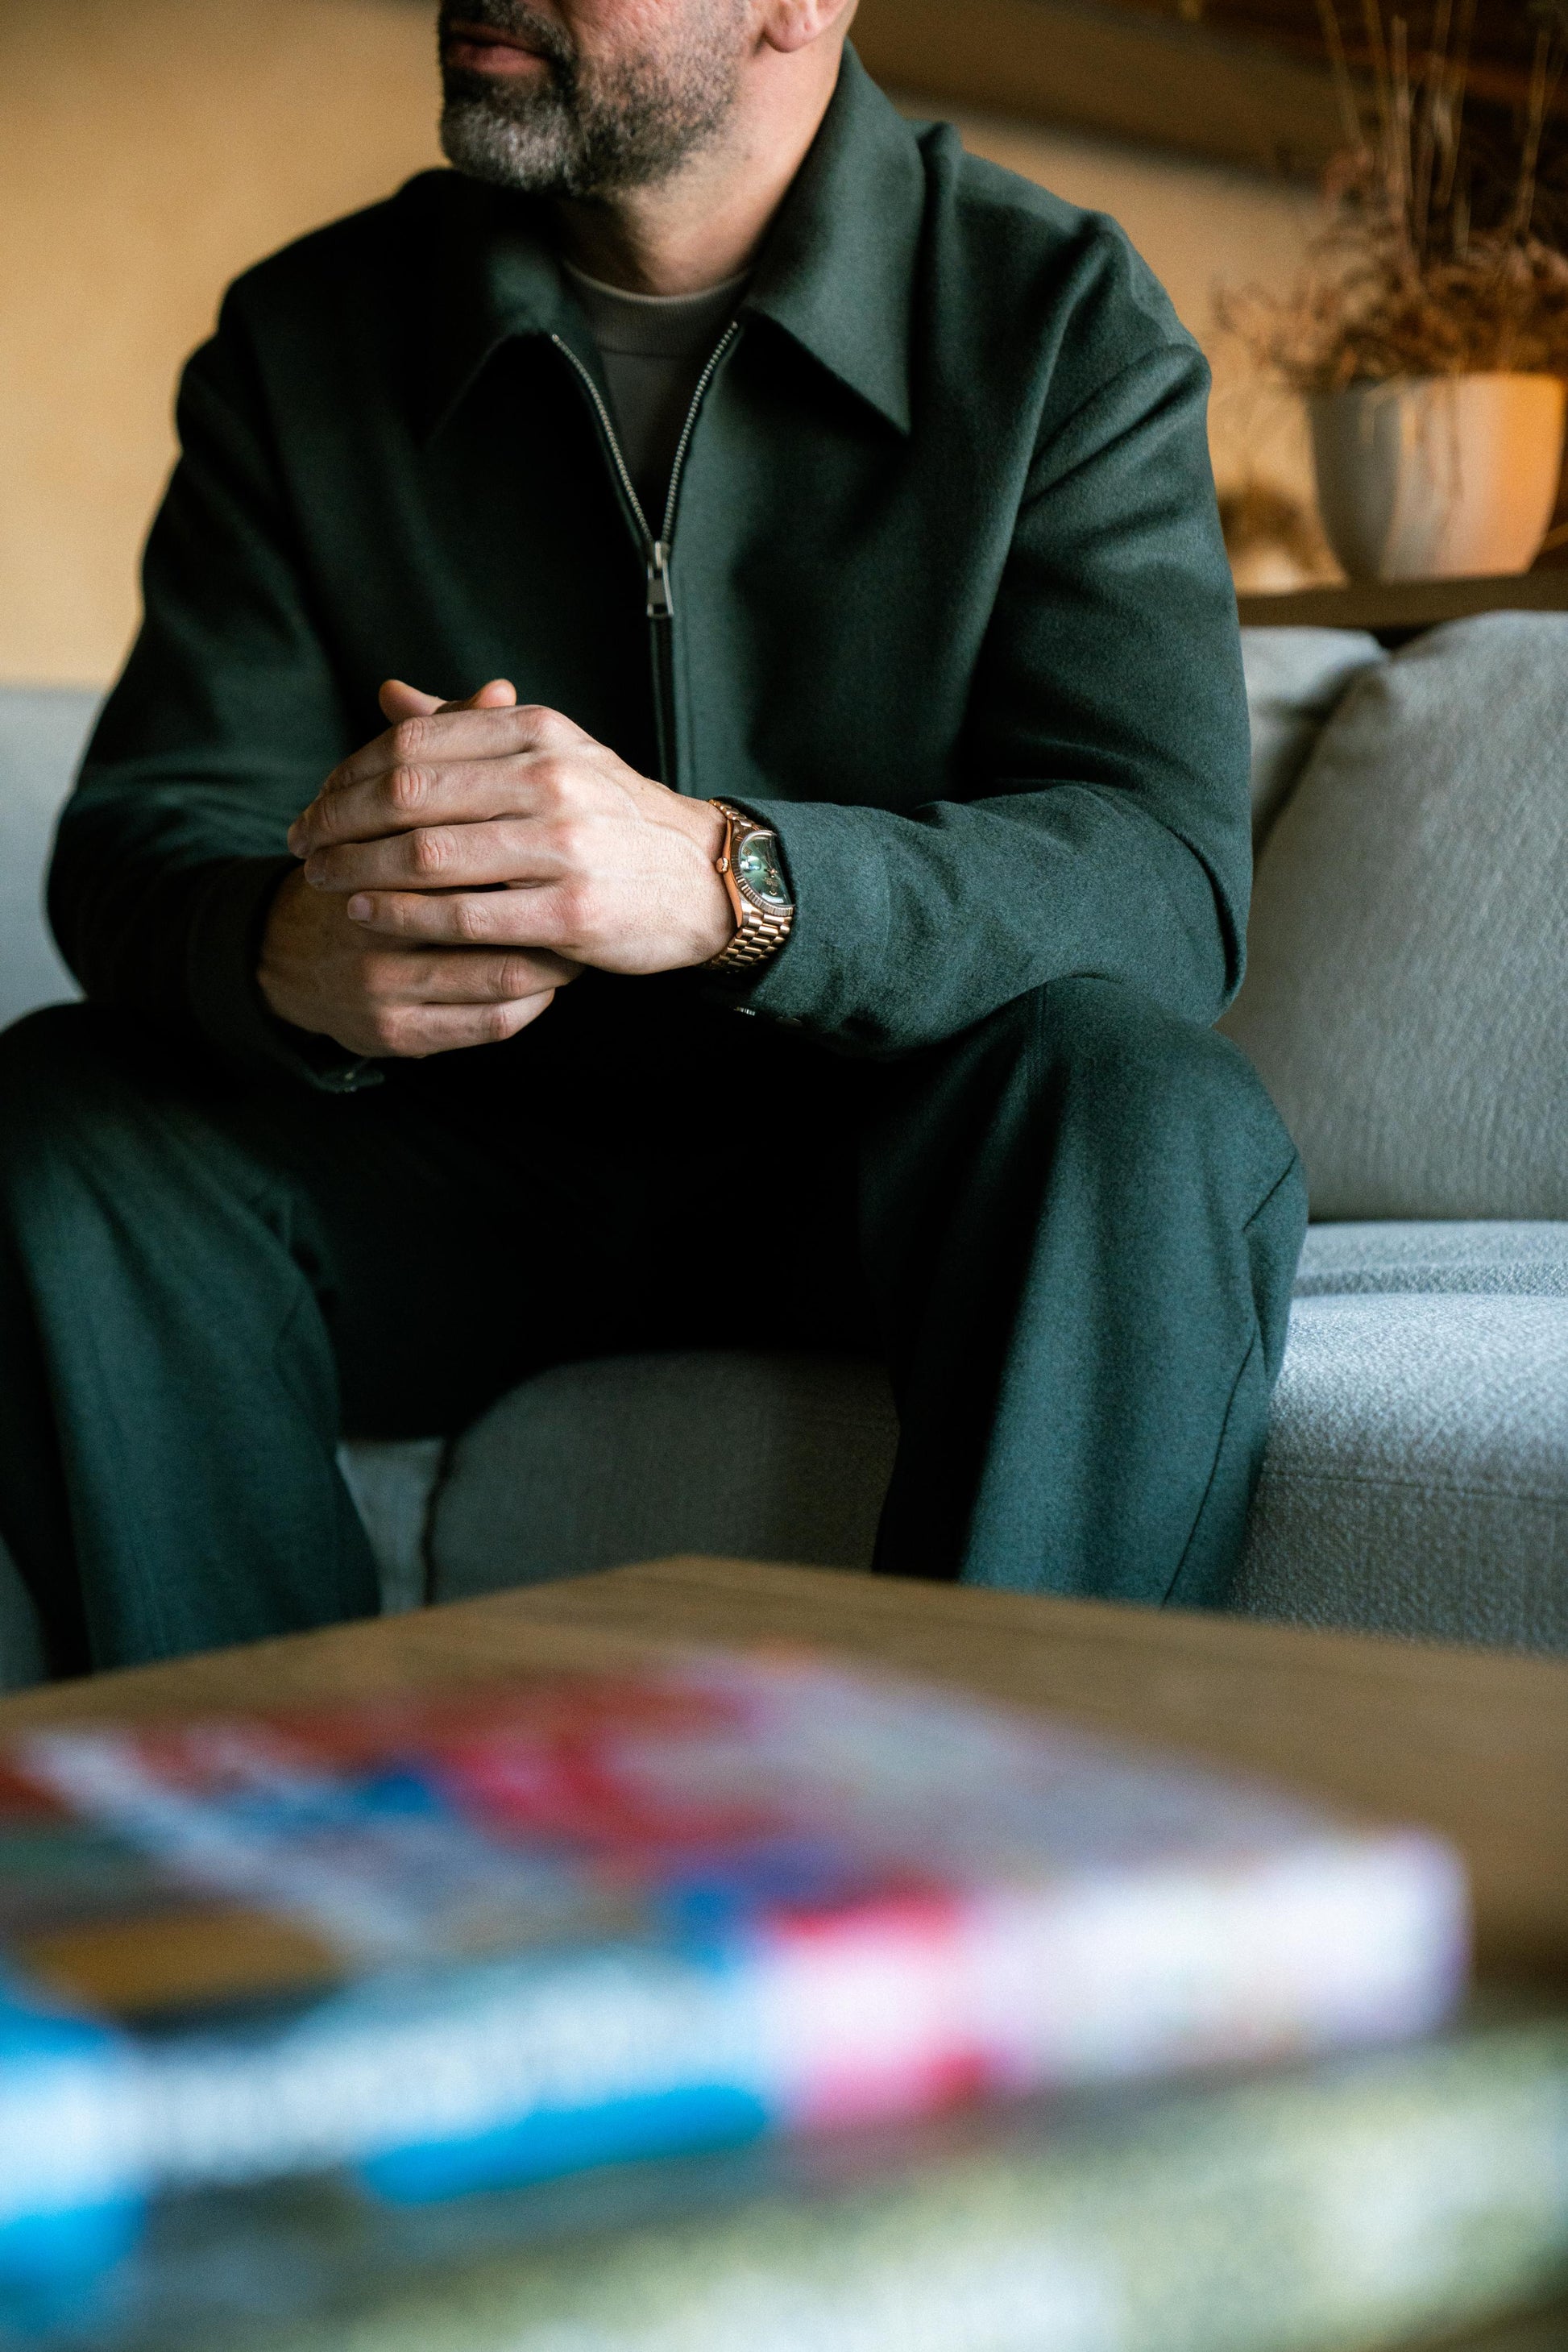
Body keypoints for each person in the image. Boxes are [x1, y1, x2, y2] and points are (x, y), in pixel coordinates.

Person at [0, 0, 1305, 1674]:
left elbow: (1162, 878)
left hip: (882, 1173)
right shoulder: (304, 332)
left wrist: (724, 879)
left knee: (1142, 1102)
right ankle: (265, 1803)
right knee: (67, 1113)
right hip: (455, 1175)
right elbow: (143, 827)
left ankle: (987, 1820)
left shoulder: (1056, 318)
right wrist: (286, 951)